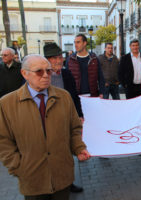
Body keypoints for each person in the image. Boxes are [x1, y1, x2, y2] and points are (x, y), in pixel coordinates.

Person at [0, 55, 90, 200]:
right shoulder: (6, 104)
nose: (46, 75)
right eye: (39, 71)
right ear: (25, 73)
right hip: (32, 180)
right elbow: (3, 140)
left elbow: (74, 128)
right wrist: (18, 166)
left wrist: (79, 148)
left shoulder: (64, 97)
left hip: (62, 177)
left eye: (48, 71)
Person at [44, 43, 85, 193]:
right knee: (51, 154)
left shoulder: (66, 74)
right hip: (47, 122)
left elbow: (74, 95)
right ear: (47, 60)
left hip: (66, 119)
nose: (59, 60)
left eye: (60, 57)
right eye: (55, 58)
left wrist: (79, 115)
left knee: (68, 153)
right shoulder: (41, 76)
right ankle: (50, 183)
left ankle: (68, 182)